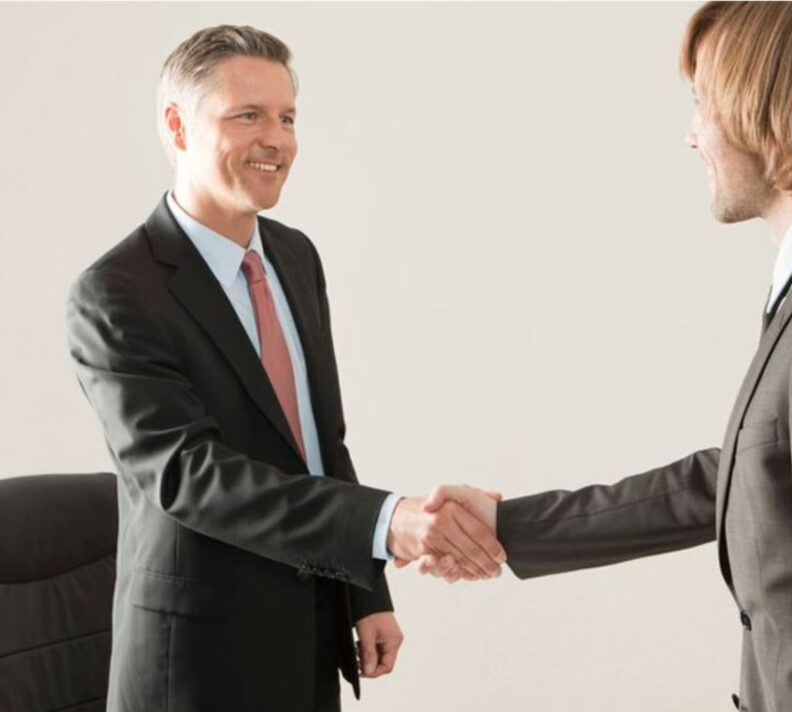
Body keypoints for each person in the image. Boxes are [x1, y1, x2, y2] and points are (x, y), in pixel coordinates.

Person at [411, 3, 792, 711]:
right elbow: (747, 472)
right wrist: (511, 527)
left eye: (701, 100)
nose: (690, 133)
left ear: (773, 107)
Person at [65, 25, 505, 712]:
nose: (277, 140)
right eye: (248, 115)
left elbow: (320, 443)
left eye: (288, 118)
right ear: (178, 126)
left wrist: (364, 592)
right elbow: (189, 475)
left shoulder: (295, 257)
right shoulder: (116, 292)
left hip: (306, 633)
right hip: (195, 660)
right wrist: (386, 524)